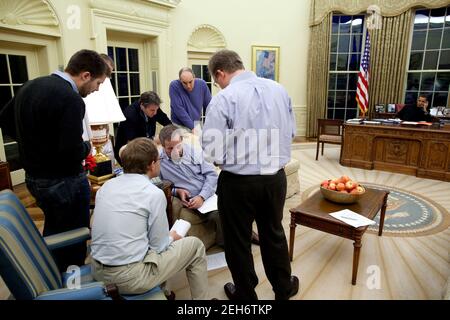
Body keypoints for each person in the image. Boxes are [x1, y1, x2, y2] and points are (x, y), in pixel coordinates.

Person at [202, 49, 298, 300]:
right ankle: (283, 287)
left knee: (238, 241)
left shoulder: (224, 98)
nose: (218, 85)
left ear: (221, 72)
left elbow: (211, 150)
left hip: (237, 183)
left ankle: (245, 295)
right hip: (275, 178)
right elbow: (291, 133)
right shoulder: (280, 89)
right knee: (273, 233)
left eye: (216, 80)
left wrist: (232, 158)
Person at [0, 49, 108, 271]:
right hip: (64, 182)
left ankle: (48, 270)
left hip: (34, 178)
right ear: (86, 75)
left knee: (55, 228)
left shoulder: (30, 85)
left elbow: (5, 119)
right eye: (98, 83)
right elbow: (71, 150)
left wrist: (32, 144)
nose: (96, 89)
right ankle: (69, 285)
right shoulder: (71, 98)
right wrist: (88, 146)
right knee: (74, 240)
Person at [90, 137, 208, 299]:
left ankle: (165, 292)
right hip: (129, 279)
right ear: (152, 164)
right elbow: (159, 247)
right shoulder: (153, 194)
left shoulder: (106, 187)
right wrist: (172, 237)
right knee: (194, 246)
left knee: (147, 243)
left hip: (97, 271)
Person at [158, 124, 224, 248]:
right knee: (219, 214)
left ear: (182, 141)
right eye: (169, 148)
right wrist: (176, 191)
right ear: (163, 146)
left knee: (226, 210)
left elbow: (211, 175)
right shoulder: (158, 162)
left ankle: (232, 241)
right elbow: (159, 186)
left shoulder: (196, 152)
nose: (174, 151)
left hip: (208, 195)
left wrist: (202, 197)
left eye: (177, 146)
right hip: (188, 201)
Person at [114, 91, 171, 163]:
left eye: (157, 109)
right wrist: (154, 141)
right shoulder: (130, 115)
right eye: (152, 110)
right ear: (142, 106)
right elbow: (134, 142)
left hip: (145, 145)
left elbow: (166, 122)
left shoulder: (153, 107)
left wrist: (172, 133)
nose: (155, 113)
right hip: (128, 152)